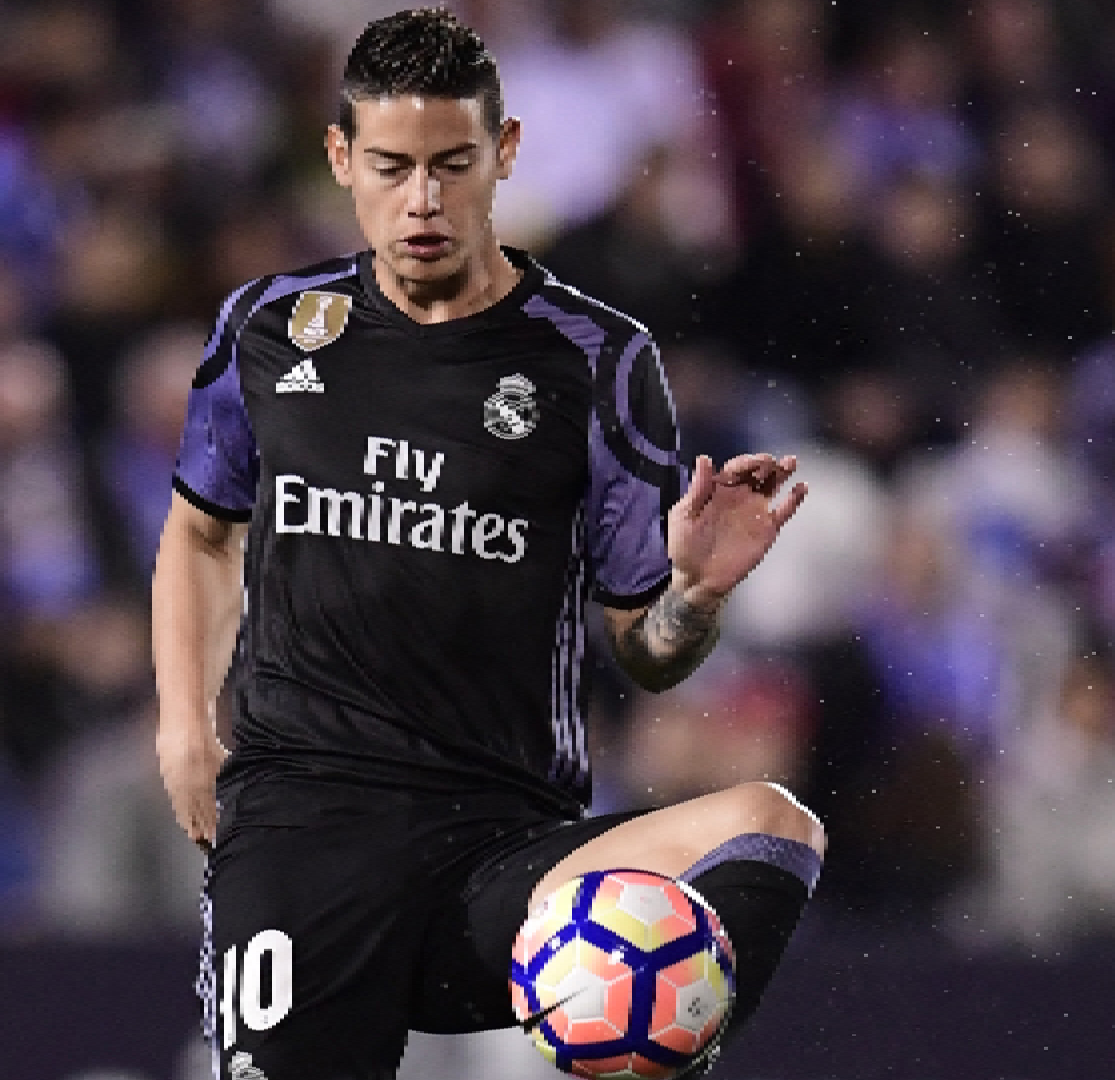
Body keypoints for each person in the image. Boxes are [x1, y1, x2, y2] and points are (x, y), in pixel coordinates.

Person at [151, 10, 823, 1078]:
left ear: (504, 153)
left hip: (505, 858)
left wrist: (693, 594)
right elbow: (198, 533)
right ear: (340, 159)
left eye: (453, 164)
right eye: (391, 166)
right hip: (306, 832)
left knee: (772, 824)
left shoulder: (599, 359)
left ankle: (651, 1052)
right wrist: (185, 733)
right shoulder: (272, 330)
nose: (422, 200)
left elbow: (644, 652)